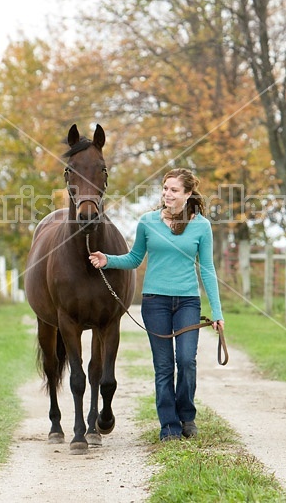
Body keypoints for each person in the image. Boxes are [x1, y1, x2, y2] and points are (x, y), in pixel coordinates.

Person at [89, 168, 224, 442]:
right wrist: (108, 260)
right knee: (163, 367)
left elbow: (207, 269)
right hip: (155, 303)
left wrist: (218, 312)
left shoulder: (201, 226)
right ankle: (170, 426)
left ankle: (187, 416)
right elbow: (134, 258)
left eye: (174, 190)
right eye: (165, 189)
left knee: (186, 361)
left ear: (187, 194)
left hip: (187, 301)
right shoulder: (148, 222)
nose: (167, 194)